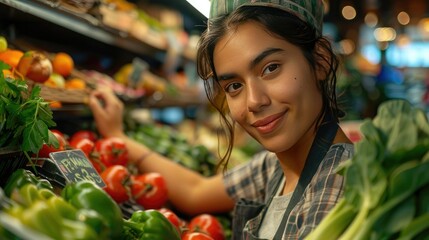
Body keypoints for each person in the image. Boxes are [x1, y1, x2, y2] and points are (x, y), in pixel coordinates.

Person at [88, 0, 354, 239]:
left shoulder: (336, 193)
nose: (253, 101)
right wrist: (119, 137)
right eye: (234, 86)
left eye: (270, 68)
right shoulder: (277, 166)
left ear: (320, 60)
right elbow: (196, 192)